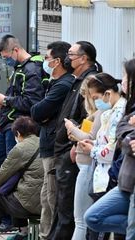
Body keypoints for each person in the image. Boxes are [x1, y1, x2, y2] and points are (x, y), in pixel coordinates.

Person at [48, 41, 102, 240]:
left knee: (69, 210)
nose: (67, 58)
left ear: (83, 58)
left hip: (74, 152)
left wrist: (74, 143)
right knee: (61, 204)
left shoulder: (91, 80)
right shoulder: (76, 79)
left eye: (71, 55)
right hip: (64, 148)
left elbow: (89, 117)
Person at [82, 59, 135, 239]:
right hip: (120, 177)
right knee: (92, 218)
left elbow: (116, 145)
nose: (123, 82)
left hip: (115, 176)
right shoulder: (122, 110)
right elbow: (123, 133)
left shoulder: (120, 109)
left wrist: (92, 150)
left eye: (126, 77)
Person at [30, 41, 74, 239]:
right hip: (47, 143)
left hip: (54, 146)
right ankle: (44, 234)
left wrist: (41, 113)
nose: (44, 62)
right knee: (46, 197)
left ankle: (49, 235)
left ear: (56, 61)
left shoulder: (64, 84)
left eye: (46, 58)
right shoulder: (55, 83)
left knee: (52, 196)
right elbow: (39, 113)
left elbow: (37, 111)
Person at [0, 34, 45, 172]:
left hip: (19, 125)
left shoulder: (32, 70)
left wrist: (5, 100)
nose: (6, 61)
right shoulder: (20, 67)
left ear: (15, 50)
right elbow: (19, 97)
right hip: (7, 124)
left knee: (13, 169)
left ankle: (12, 190)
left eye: (6, 57)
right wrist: (5, 101)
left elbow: (32, 102)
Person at [0, 116, 43, 240]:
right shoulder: (44, 142)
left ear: (17, 133)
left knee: (0, 197)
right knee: (19, 192)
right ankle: (23, 231)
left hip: (29, 206)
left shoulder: (19, 149)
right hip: (47, 203)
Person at [63, 75, 102, 240]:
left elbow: (90, 138)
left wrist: (72, 129)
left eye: (87, 95)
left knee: (80, 220)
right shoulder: (96, 113)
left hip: (88, 167)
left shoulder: (101, 113)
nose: (85, 100)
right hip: (85, 165)